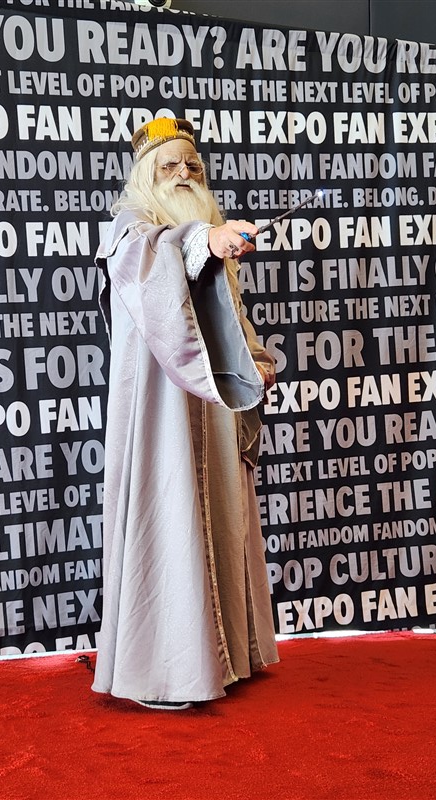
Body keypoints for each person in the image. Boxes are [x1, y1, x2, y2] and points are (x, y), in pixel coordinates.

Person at [92, 117, 279, 710]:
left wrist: (255, 359)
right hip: (162, 412)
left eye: (192, 165)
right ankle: (168, 669)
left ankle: (227, 657)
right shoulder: (131, 230)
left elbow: (228, 314)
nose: (183, 174)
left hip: (212, 403)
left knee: (220, 510)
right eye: (168, 165)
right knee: (167, 510)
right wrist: (207, 240)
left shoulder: (209, 231)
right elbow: (163, 256)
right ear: (146, 174)